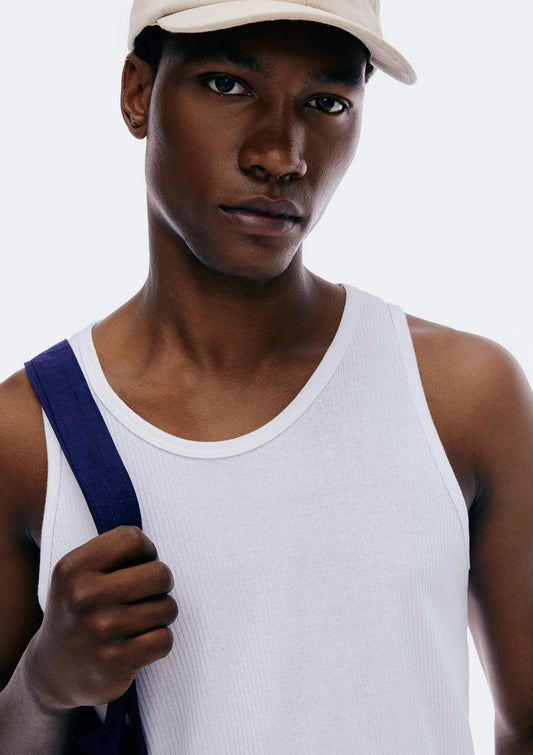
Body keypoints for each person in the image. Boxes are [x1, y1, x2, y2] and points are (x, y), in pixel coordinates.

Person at [0, 0, 532, 752]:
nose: (281, 155)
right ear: (138, 93)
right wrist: (43, 686)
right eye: (228, 85)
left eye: (327, 102)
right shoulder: (29, 433)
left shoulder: (463, 396)